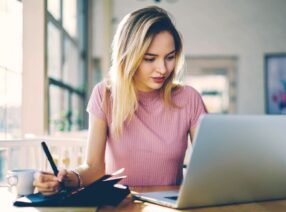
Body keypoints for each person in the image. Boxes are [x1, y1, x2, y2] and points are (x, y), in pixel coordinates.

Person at [34, 6, 207, 196]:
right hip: (118, 206)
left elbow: (211, 164)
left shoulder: (189, 98)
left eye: (170, 57)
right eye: (150, 59)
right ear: (128, 57)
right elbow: (94, 167)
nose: (163, 69)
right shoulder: (105, 95)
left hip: (171, 209)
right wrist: (66, 178)